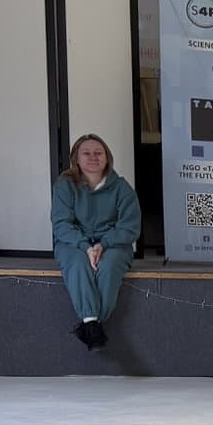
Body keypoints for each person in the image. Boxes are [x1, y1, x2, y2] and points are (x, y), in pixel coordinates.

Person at [51, 133, 142, 351]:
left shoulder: (122, 188)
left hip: (113, 245)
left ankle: (91, 323)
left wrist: (104, 245)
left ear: (107, 157)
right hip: (74, 244)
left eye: (98, 153)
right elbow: (62, 224)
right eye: (87, 153)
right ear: (77, 158)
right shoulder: (65, 186)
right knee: (78, 264)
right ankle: (93, 324)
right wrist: (86, 247)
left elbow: (129, 227)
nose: (93, 157)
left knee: (109, 266)